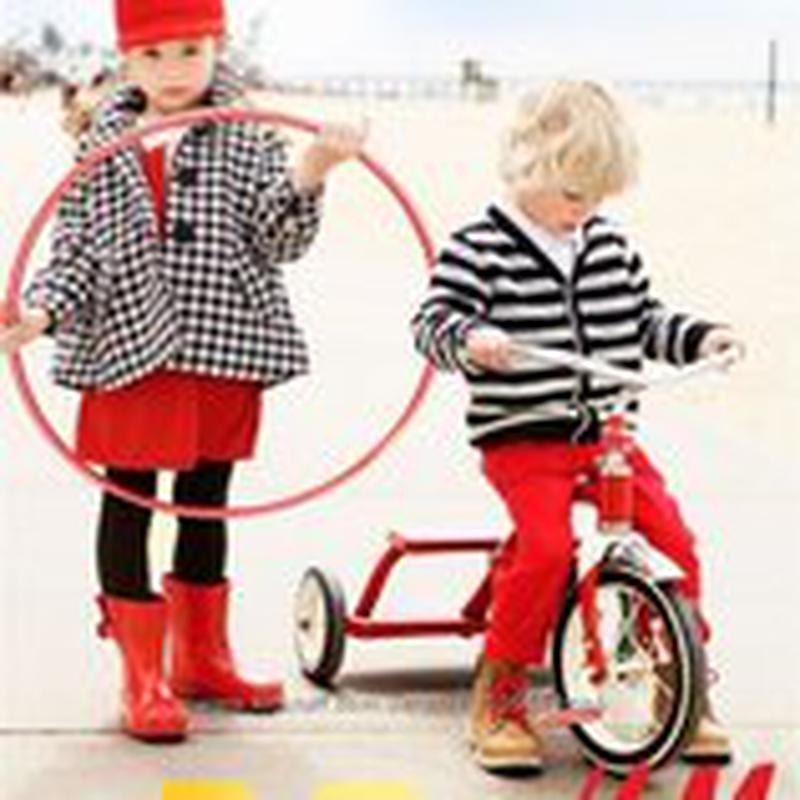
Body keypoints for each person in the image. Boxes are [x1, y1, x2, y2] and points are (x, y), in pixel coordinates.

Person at [0, 0, 365, 743]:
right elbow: (78, 256)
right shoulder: (103, 145)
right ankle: (141, 674)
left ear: (216, 46)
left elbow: (278, 239)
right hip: (129, 352)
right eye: (153, 56)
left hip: (220, 347)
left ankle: (201, 658)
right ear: (125, 59)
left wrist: (312, 170)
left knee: (206, 501)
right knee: (129, 498)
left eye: (189, 53)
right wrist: (39, 315)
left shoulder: (248, 132)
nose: (173, 72)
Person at [411, 80, 743, 773]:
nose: (584, 209)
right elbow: (432, 323)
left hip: (608, 438)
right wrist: (471, 339)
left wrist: (701, 337)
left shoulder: (608, 245)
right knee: (545, 549)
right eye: (571, 193)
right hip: (524, 435)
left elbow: (645, 319)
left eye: (597, 196)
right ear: (526, 164)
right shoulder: (480, 247)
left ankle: (676, 680)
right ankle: (500, 693)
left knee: (674, 541)